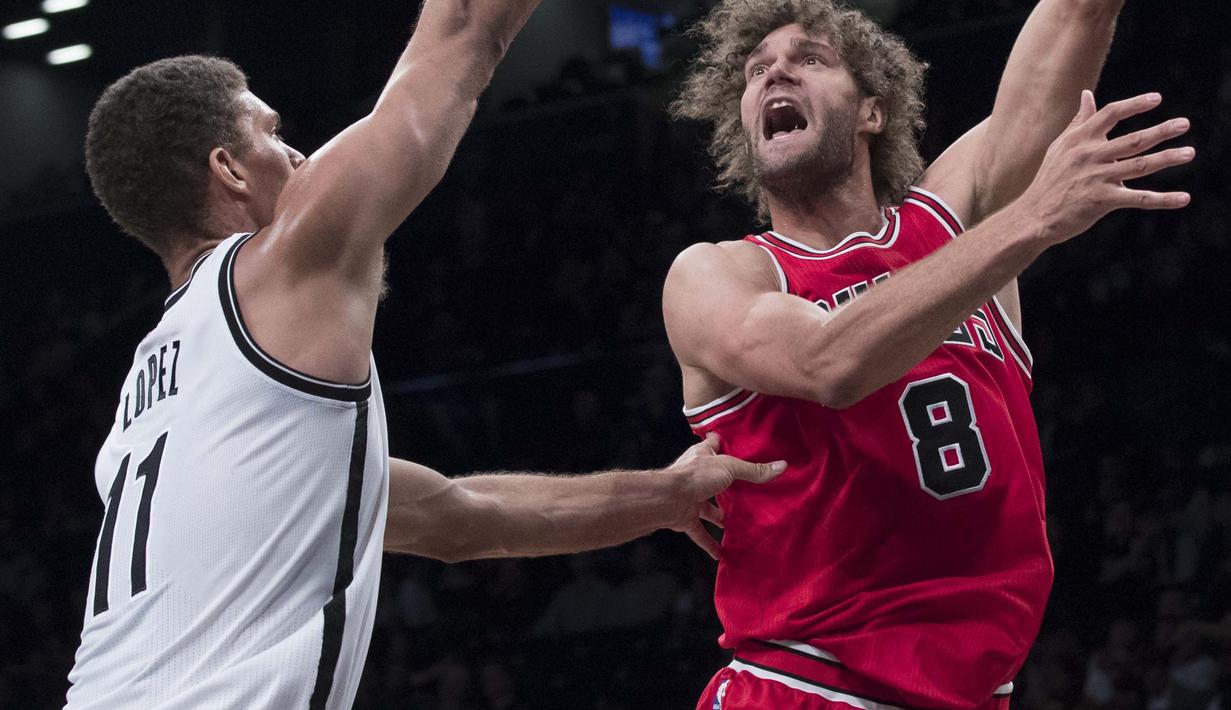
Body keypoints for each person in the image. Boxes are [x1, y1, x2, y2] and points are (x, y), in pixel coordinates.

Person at [64, 1, 786, 708]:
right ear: (228, 169)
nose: (298, 154)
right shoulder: (278, 267)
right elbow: (463, 29)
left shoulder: (148, 406)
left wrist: (665, 495)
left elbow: (458, 516)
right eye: (273, 134)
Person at [663, 0, 1194, 708]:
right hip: (807, 681)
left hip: (973, 688)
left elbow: (1076, 14)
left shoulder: (953, 217)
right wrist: (1031, 217)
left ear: (872, 111)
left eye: (808, 59)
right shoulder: (716, 274)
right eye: (756, 71)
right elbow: (828, 363)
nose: (774, 73)